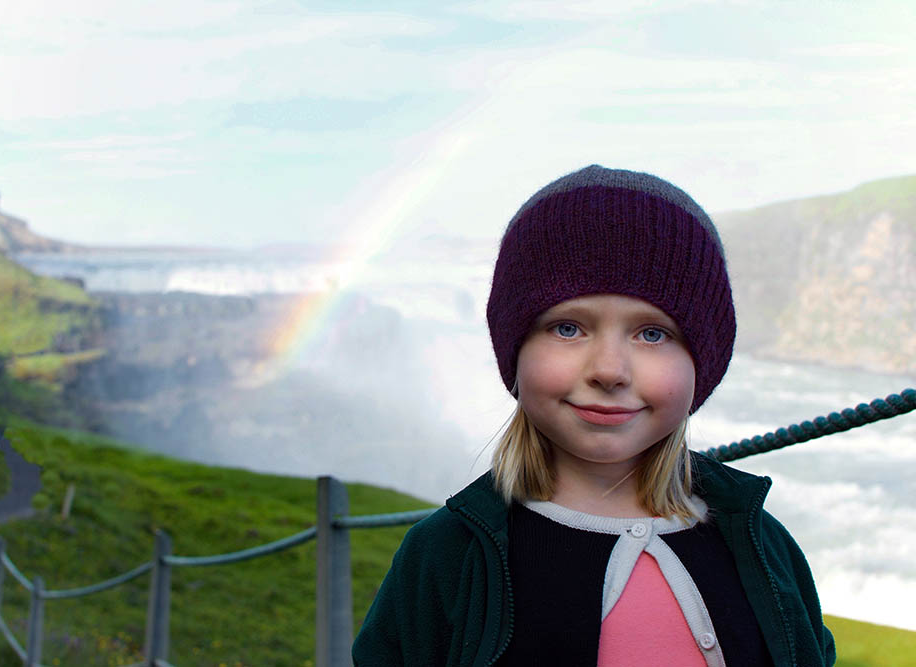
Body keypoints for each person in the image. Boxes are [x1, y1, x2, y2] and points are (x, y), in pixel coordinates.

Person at [352, 165, 835, 666]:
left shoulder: (764, 546)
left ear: (702, 362)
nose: (609, 370)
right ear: (515, 352)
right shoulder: (447, 558)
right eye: (567, 329)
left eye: (653, 334)